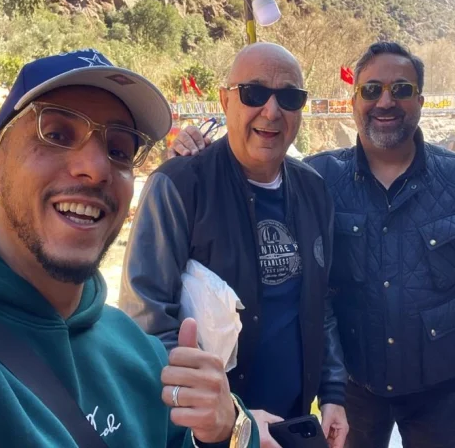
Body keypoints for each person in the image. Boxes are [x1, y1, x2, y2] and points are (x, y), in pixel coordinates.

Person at [0, 49, 257, 448]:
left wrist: (222, 434)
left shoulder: (142, 356)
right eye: (56, 135)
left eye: (118, 150)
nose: (95, 169)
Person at [172, 41, 455, 448]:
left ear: (421, 101)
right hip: (353, 392)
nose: (385, 101)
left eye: (402, 90)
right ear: (353, 100)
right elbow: (251, 171)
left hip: (444, 389)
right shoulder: (317, 180)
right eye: (372, 89)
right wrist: (195, 156)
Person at [119, 42, 349, 448]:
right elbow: (146, 319)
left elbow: (322, 301)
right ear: (225, 100)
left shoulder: (314, 190)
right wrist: (231, 415)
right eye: (254, 93)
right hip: (210, 433)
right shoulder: (179, 186)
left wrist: (332, 393)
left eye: (289, 97)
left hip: (291, 424)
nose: (272, 111)